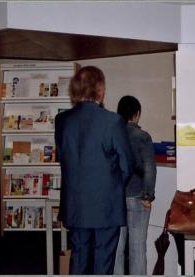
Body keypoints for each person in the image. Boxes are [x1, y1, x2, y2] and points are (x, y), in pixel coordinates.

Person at [54, 66, 134, 275]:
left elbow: (64, 159)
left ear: (75, 89)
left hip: (75, 206)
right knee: (103, 263)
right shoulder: (113, 121)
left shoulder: (62, 121)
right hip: (106, 207)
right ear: (100, 90)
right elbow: (127, 165)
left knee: (78, 260)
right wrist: (112, 188)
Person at [114, 95, 157, 275]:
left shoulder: (112, 134)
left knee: (116, 248)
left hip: (115, 198)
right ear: (137, 114)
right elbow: (149, 168)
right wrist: (148, 196)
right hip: (138, 196)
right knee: (137, 248)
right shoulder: (143, 137)